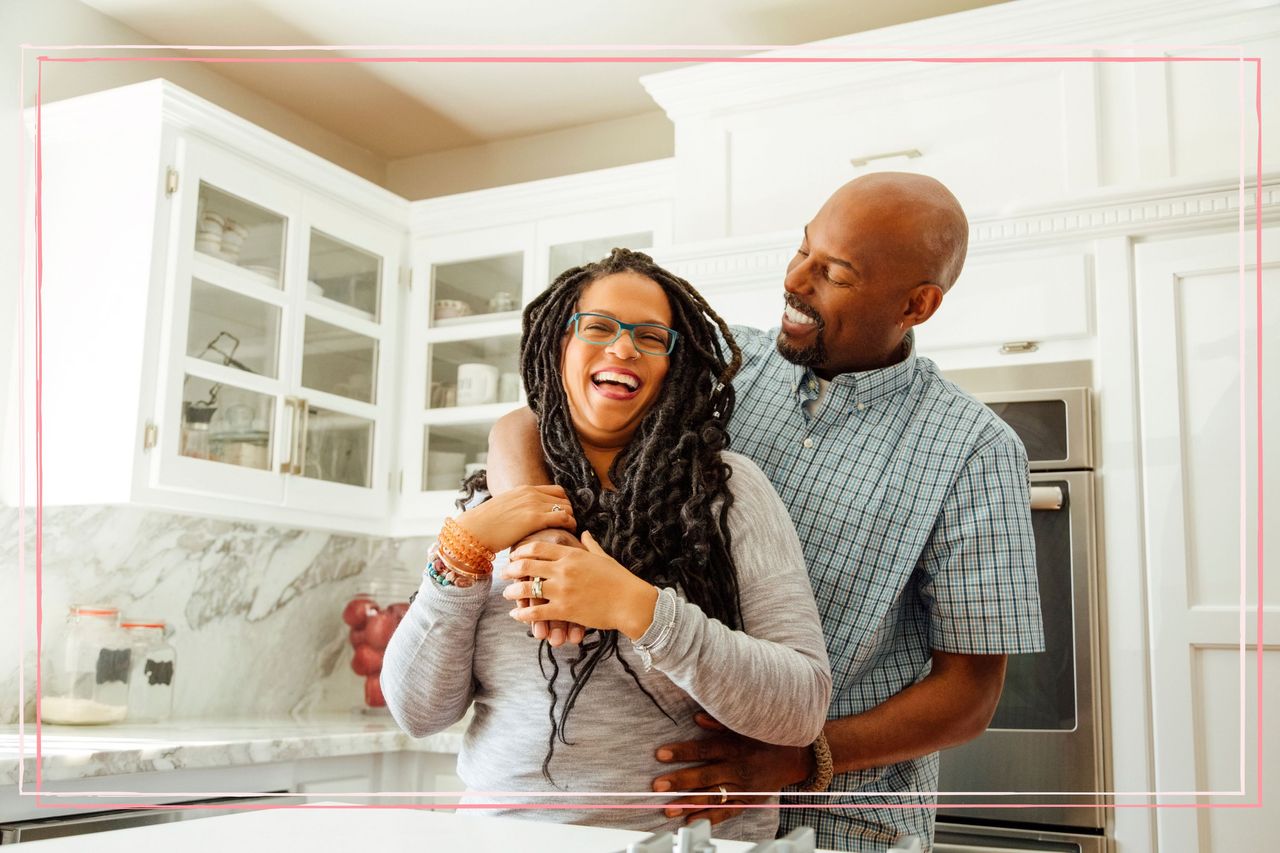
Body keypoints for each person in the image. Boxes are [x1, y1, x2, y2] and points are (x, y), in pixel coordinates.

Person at [487, 173, 1045, 851]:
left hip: (849, 822)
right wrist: (544, 540)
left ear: (916, 303)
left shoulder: (974, 448)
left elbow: (969, 694)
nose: (795, 279)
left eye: (833, 271)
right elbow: (530, 420)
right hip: (684, 814)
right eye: (802, 248)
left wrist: (804, 757)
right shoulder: (723, 365)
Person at [381, 248, 832, 841]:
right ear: (557, 346)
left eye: (651, 338)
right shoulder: (490, 505)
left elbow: (800, 707)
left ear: (674, 366)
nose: (623, 349)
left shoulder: (728, 490)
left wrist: (636, 608)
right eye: (598, 328)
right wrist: (456, 560)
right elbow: (417, 713)